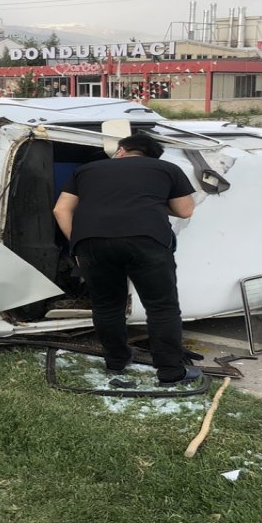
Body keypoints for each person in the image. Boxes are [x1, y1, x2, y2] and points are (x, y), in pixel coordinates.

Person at [52, 132, 200, 386]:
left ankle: (116, 361)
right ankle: (170, 372)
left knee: (107, 306)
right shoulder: (167, 169)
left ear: (121, 150)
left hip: (92, 243)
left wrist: (77, 245)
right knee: (161, 307)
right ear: (152, 156)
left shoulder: (87, 170)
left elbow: (60, 209)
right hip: (147, 240)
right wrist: (153, 201)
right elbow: (184, 210)